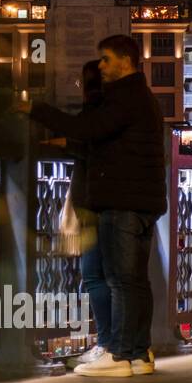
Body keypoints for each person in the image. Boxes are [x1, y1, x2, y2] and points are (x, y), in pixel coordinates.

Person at [16, 35, 166, 377]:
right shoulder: (144, 98)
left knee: (120, 280)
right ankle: (139, 354)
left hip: (122, 201)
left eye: (106, 60)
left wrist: (36, 110)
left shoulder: (125, 97)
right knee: (135, 282)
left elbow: (88, 129)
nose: (101, 66)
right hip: (143, 202)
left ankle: (119, 356)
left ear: (125, 62)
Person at [55, 60, 110, 366]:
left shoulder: (99, 111)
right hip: (110, 201)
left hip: (95, 202)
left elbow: (84, 141)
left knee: (95, 275)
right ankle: (124, 346)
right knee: (114, 277)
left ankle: (108, 344)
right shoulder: (120, 107)